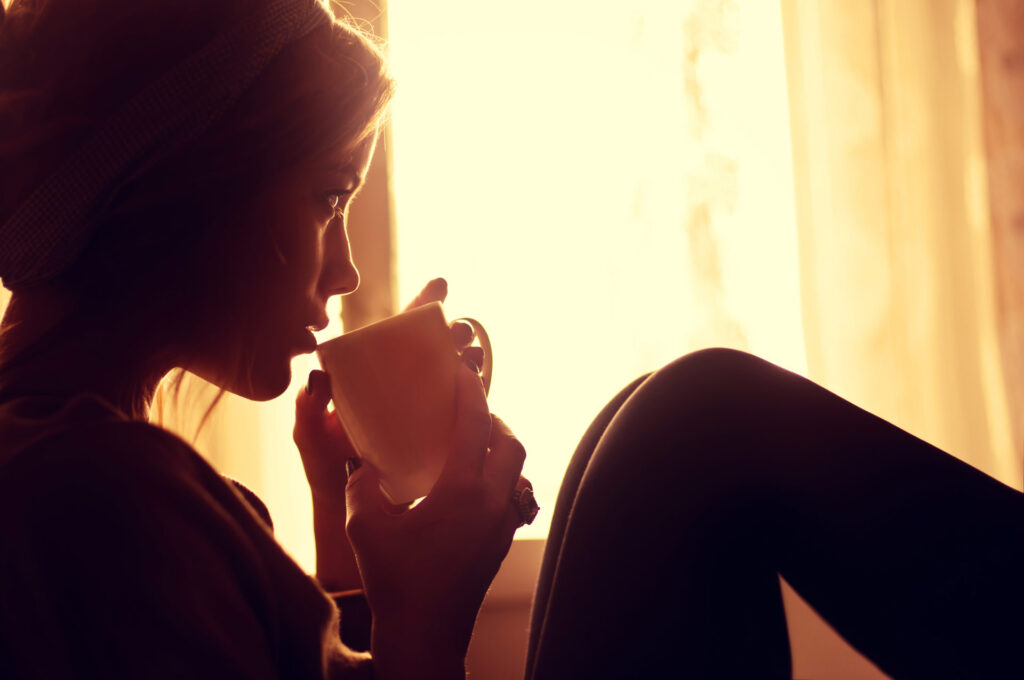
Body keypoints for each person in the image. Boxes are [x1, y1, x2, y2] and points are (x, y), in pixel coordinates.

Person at [0, 1, 1021, 679]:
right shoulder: (94, 491)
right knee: (699, 422)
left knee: (640, 422)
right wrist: (429, 611)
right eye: (325, 198)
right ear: (189, 189)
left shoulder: (77, 466)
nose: (345, 270)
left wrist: (345, 541)